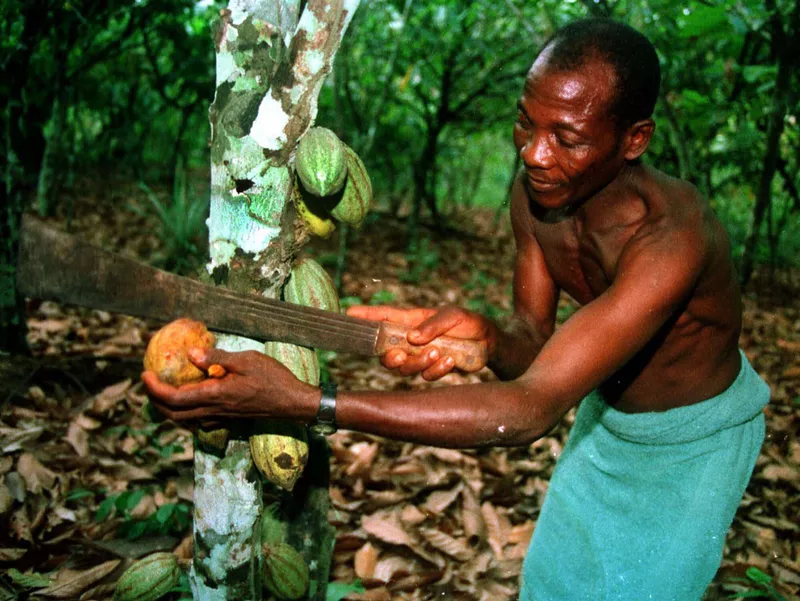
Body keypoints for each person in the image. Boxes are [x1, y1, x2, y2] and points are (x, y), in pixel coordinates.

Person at [143, 18, 770, 601]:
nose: (534, 154)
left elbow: (527, 412)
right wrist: (490, 338)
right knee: (557, 579)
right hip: (606, 414)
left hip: (696, 438)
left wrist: (309, 405)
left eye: (567, 138)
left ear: (634, 140)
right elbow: (532, 345)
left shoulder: (672, 238)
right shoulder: (539, 196)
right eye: (526, 122)